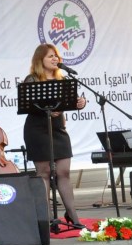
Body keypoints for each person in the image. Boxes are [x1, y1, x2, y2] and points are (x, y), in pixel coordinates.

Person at [23, 43, 86, 228]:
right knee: (44, 172)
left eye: (56, 56)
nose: (54, 59)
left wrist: (80, 103)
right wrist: (47, 112)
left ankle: (73, 215)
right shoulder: (32, 79)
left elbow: (69, 103)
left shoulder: (62, 78)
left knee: (63, 172)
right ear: (40, 59)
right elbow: (27, 105)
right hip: (38, 130)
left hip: (58, 130)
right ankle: (48, 216)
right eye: (50, 56)